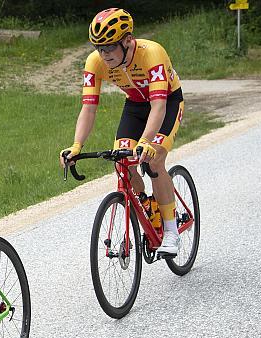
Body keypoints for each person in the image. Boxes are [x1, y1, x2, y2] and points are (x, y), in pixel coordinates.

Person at [60, 8, 184, 255]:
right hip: (135, 106)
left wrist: (147, 141)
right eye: (99, 48)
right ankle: (146, 205)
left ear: (128, 41)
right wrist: (76, 146)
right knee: (122, 161)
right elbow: (88, 109)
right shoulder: (95, 62)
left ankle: (171, 231)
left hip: (166, 103)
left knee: (154, 160)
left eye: (109, 47)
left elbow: (158, 106)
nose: (103, 54)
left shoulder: (152, 53)